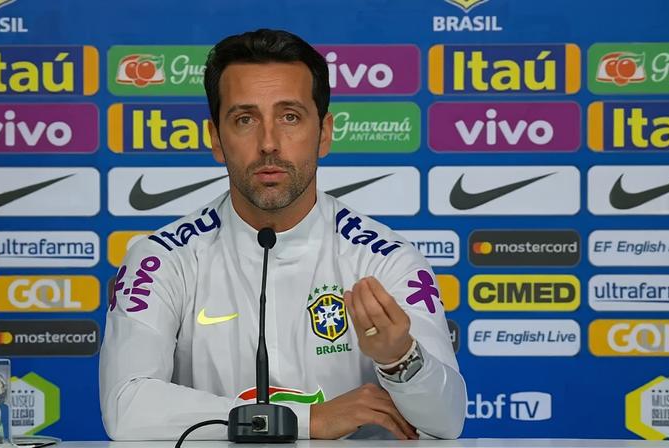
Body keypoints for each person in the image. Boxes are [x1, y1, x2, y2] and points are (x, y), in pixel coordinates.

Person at [99, 28, 466, 441]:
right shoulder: (162, 258)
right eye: (244, 119)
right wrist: (308, 420)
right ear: (216, 139)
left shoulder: (386, 260)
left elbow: (447, 421)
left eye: (290, 116)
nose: (269, 143)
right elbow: (125, 407)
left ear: (324, 133)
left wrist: (401, 361)